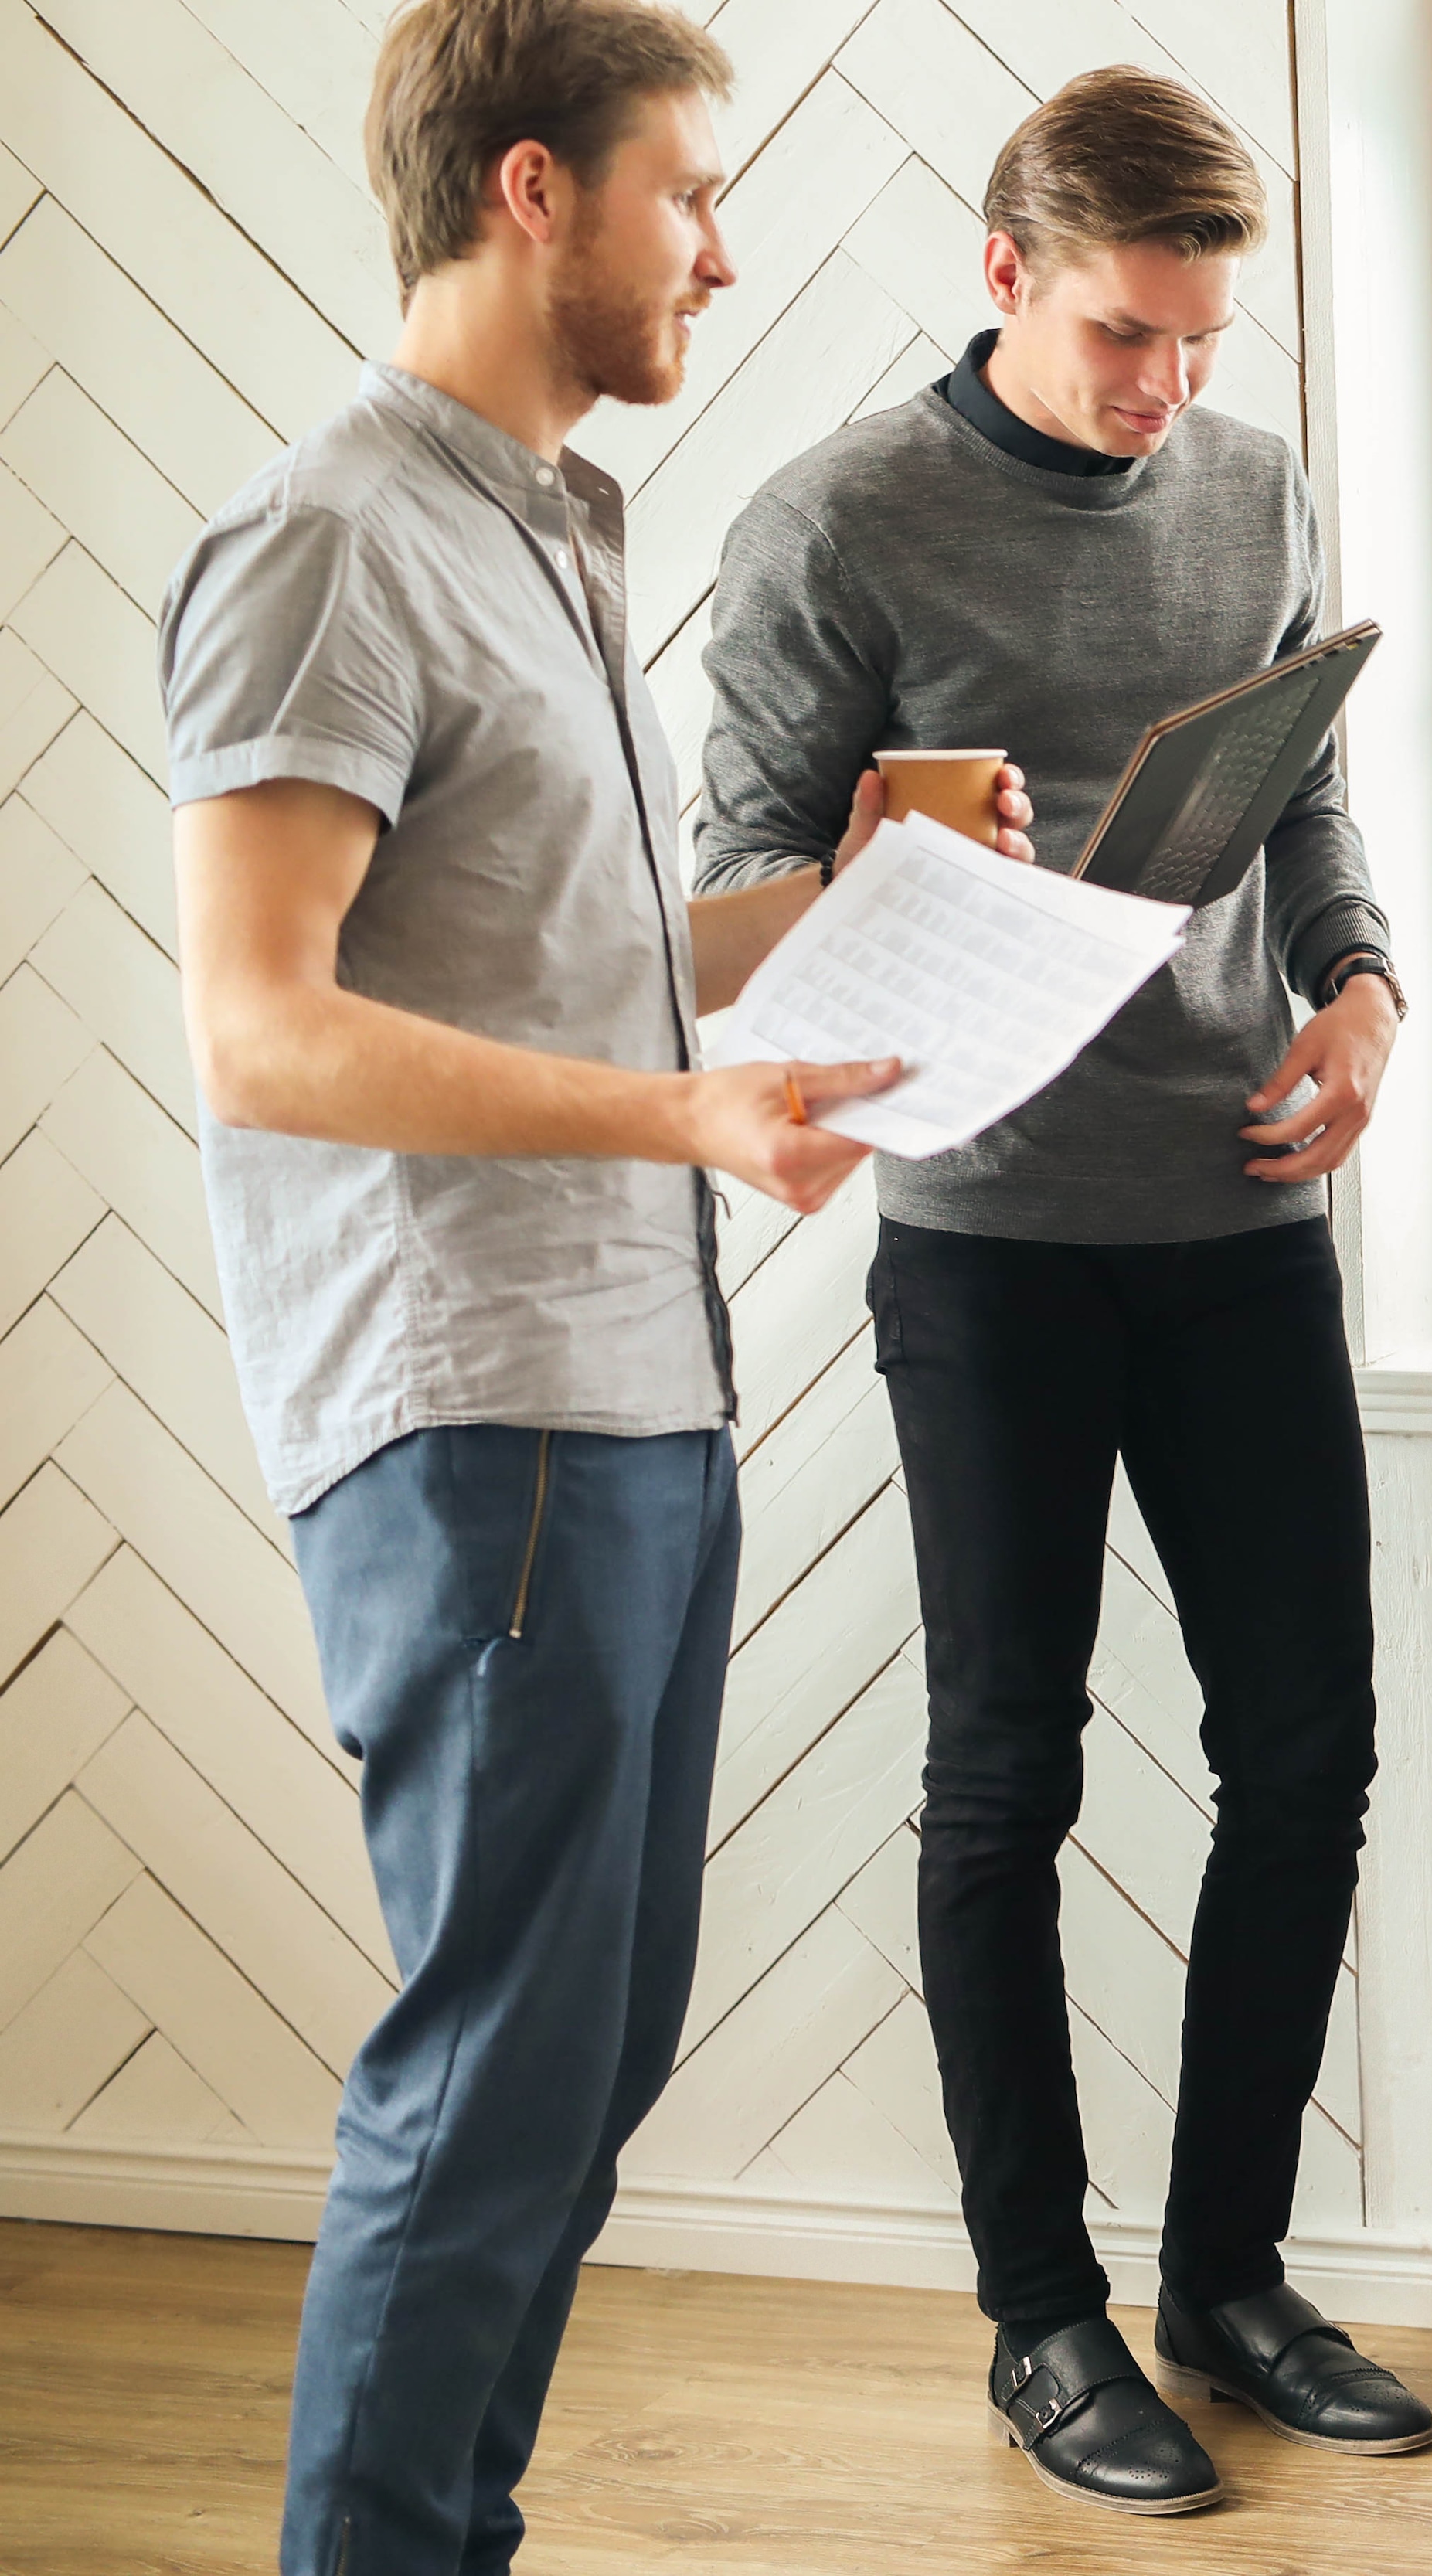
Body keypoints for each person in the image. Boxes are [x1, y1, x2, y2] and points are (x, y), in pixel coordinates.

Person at [154, 6, 957, 2568]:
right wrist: (686, 1120)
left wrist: (850, 890)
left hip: (631, 1398)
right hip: (475, 1410)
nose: (721, 244)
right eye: (686, 192)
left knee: (578, 2063)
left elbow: (588, 965)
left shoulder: (546, 527)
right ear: (532, 191)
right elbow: (262, 1031)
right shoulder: (330, 541)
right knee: (495, 2069)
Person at [695, 66, 1420, 2516]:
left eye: (1203, 342)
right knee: (1007, 1775)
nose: (1170, 394)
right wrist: (904, 830)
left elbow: (1308, 797)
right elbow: (722, 909)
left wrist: (1362, 991)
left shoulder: (1251, 482)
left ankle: (1228, 2275)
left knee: (1306, 1755)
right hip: (990, 1247)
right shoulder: (834, 522)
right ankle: (1043, 2319)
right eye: (1127, 337)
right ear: (1005, 272)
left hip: (1240, 1216)